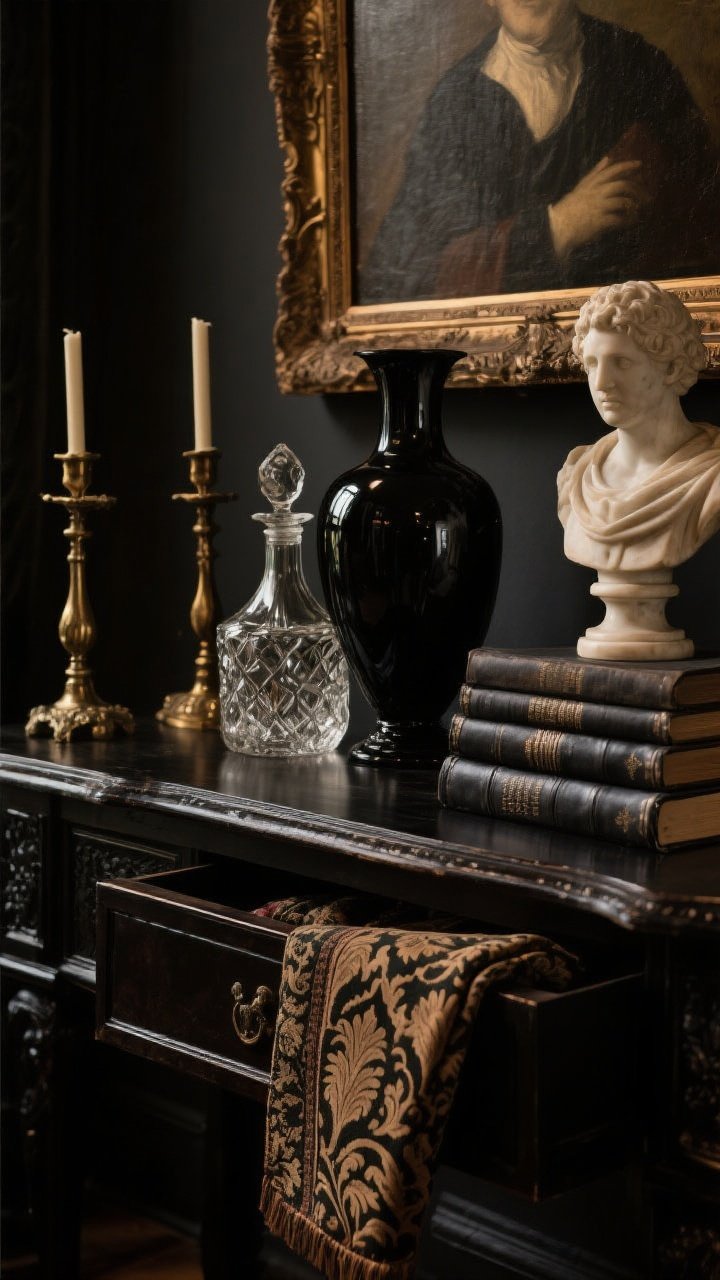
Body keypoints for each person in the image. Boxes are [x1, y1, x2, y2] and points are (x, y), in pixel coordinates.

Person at [360, 2, 720, 303]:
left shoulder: (640, 66)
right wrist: (559, 226)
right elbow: (404, 271)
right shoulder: (455, 104)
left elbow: (703, 223)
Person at [557, 280, 720, 574]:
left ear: (670, 367)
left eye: (621, 362)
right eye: (592, 364)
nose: (601, 382)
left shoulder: (712, 475)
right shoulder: (575, 475)